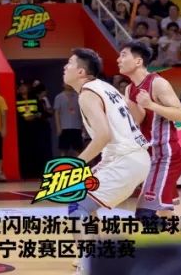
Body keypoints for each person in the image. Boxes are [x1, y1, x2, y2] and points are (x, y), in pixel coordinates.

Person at [63, 48, 150, 272]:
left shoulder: (87, 94)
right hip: (130, 156)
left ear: (81, 72)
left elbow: (103, 136)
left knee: (78, 205)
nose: (65, 67)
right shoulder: (106, 87)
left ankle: (89, 264)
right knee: (80, 196)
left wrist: (75, 165)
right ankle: (97, 258)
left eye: (69, 63)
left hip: (125, 159)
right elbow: (138, 115)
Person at [119, 41, 181, 221]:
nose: (118, 60)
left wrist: (151, 104)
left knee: (145, 214)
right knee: (164, 211)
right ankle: (179, 237)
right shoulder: (129, 89)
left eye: (123, 55)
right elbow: (138, 121)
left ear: (138, 61)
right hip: (149, 157)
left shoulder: (158, 83)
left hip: (166, 156)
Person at [54, 85, 84, 157]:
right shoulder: (59, 97)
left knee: (78, 150)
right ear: (63, 84)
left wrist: (83, 126)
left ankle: (77, 164)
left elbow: (82, 112)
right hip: (64, 128)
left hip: (77, 127)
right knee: (63, 150)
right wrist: (58, 127)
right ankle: (63, 164)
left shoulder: (79, 96)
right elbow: (57, 113)